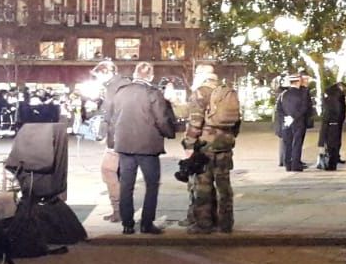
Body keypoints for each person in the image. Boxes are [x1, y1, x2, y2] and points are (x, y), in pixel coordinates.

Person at [110, 62, 177, 235]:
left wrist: (113, 141)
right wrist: (169, 133)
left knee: (126, 185)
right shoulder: (153, 93)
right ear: (151, 75)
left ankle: (128, 224)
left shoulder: (121, 92)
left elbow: (113, 117)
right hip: (148, 146)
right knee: (152, 185)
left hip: (125, 145)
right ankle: (147, 223)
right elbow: (161, 119)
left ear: (135, 74)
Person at [184, 64, 241, 234]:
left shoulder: (200, 93)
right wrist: (229, 137)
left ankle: (204, 223)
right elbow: (237, 121)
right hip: (225, 145)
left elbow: (195, 123)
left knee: (203, 184)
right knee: (224, 184)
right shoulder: (226, 93)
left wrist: (189, 144)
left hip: (205, 146)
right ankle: (226, 223)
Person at [93, 59, 129, 223]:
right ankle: (122, 209)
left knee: (108, 170)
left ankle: (118, 210)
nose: (97, 80)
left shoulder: (113, 88)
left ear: (106, 72)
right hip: (125, 136)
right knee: (120, 174)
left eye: (98, 75)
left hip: (117, 137)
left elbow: (111, 116)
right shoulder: (123, 84)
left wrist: (106, 136)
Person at [274, 72, 314, 172]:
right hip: (298, 121)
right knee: (297, 143)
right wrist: (293, 117)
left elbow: (279, 109)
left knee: (287, 143)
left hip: (286, 122)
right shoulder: (302, 94)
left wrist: (286, 117)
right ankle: (295, 164)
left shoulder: (283, 94)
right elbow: (304, 108)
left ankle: (288, 164)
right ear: (298, 81)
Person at [316, 83, 346, 169]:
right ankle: (331, 163)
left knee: (331, 142)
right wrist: (339, 118)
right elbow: (337, 111)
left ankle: (332, 160)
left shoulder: (330, 97)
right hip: (334, 123)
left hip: (331, 123)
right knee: (333, 143)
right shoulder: (336, 98)